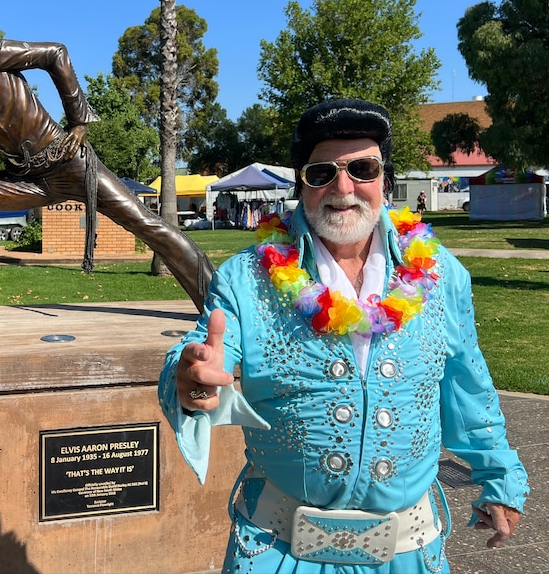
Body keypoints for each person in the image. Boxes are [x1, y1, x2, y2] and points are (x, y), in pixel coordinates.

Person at [159, 99, 528, 573]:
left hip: (407, 554)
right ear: (301, 185)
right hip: (278, 553)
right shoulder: (246, 279)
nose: (343, 187)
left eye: (362, 168)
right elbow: (205, 353)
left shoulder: (441, 276)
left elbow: (467, 386)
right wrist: (189, 377)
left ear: (385, 180)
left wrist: (499, 478)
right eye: (321, 174)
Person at [0, 19, 213, 326]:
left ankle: (220, 305)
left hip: (68, 161)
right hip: (24, 181)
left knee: (146, 224)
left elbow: (55, 54)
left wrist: (78, 122)